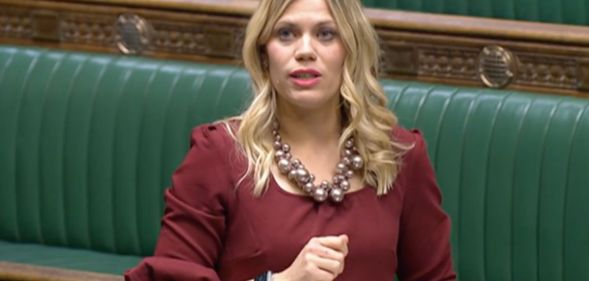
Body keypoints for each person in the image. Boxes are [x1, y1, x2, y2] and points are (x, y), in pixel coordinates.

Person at [125, 0, 456, 280]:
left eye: (326, 34)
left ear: (350, 50)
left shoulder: (400, 156)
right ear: (265, 54)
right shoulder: (219, 155)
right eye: (286, 34)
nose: (305, 51)